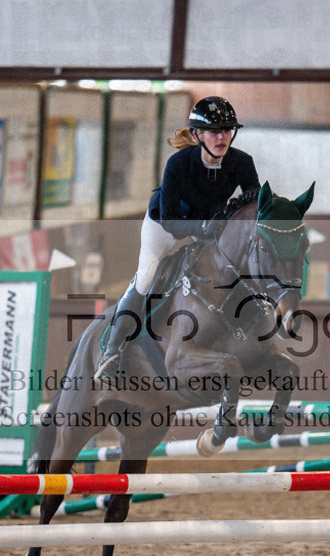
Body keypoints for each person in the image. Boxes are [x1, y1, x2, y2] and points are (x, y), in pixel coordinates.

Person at [93, 96, 260, 380]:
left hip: (209, 227)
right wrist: (203, 228)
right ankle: (112, 350)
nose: (222, 137)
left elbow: (254, 203)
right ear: (197, 135)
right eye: (214, 131)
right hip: (165, 224)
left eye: (227, 130)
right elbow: (170, 220)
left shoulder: (242, 162)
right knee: (146, 276)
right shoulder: (178, 164)